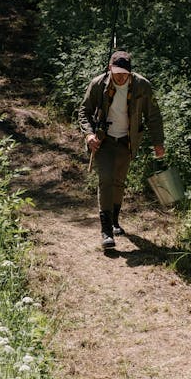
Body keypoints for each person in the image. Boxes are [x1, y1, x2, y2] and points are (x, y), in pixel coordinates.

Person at [78, 50, 165, 249]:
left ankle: (115, 220)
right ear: (110, 68)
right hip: (104, 140)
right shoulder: (99, 84)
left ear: (130, 72)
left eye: (124, 73)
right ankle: (106, 230)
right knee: (106, 179)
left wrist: (157, 142)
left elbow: (153, 116)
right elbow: (84, 110)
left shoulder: (142, 86)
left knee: (119, 181)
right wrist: (89, 134)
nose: (120, 76)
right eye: (117, 72)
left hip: (128, 141)